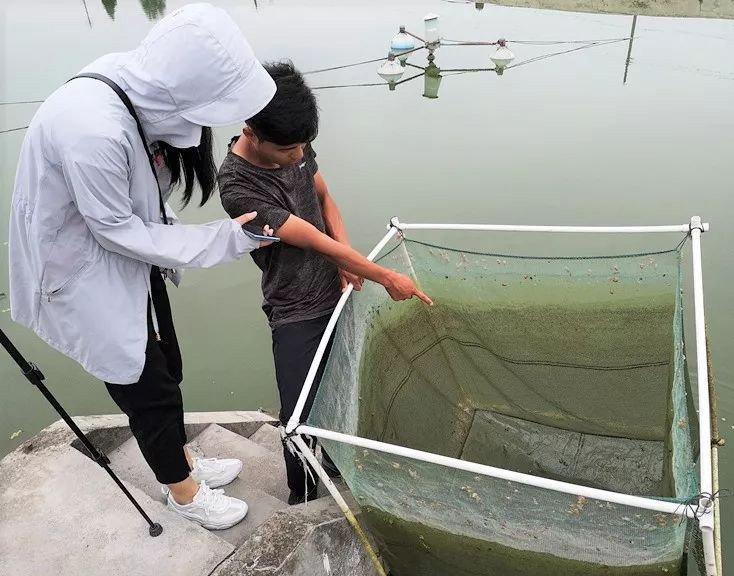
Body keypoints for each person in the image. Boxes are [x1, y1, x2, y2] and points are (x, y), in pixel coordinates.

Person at [9, 5, 277, 530]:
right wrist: (226, 238)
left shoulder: (132, 89)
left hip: (120, 253)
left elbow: (134, 209)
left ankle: (183, 459)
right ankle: (182, 493)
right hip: (85, 267)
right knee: (144, 384)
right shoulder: (94, 131)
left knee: (166, 362)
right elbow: (118, 230)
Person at [217, 62, 432, 504]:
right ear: (252, 133)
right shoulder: (238, 186)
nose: (299, 157)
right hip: (294, 308)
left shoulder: (293, 141)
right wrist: (386, 276)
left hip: (336, 293)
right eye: (289, 150)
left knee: (341, 387)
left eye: (304, 146)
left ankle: (336, 463)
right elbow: (309, 237)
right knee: (297, 414)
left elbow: (324, 198)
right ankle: (303, 495)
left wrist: (348, 258)